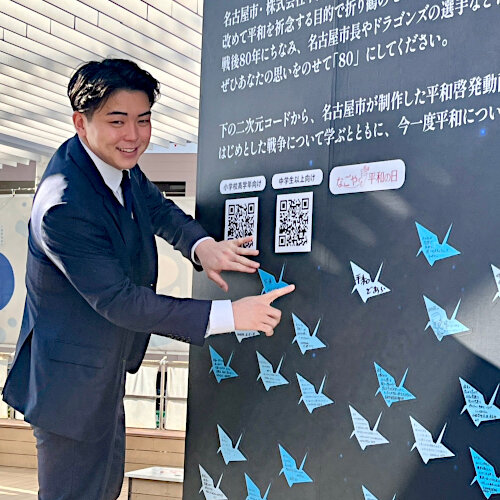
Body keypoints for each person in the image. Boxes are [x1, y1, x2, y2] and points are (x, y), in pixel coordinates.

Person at [1, 59, 294, 499]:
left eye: (143, 120)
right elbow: (121, 301)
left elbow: (155, 207)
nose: (134, 135)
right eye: (118, 121)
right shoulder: (64, 206)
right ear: (81, 122)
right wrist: (231, 316)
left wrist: (200, 245)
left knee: (105, 488)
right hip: (68, 389)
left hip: (102, 371)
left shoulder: (110, 162)